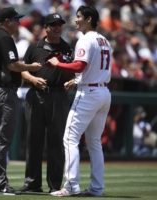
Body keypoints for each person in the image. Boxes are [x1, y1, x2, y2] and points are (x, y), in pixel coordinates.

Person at [47, 6, 112, 197]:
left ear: (89, 19)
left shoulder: (85, 39)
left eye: (79, 17)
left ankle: (71, 185)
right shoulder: (104, 40)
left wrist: (57, 64)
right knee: (94, 142)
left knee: (70, 138)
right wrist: (76, 81)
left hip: (89, 94)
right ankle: (97, 188)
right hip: (103, 92)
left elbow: (80, 65)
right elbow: (92, 68)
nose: (75, 20)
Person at [0, 7, 42, 195]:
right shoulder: (5, 38)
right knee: (2, 138)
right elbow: (13, 65)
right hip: (4, 92)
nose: (18, 22)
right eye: (16, 19)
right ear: (7, 21)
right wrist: (32, 66)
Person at [18, 13, 75, 193]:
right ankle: (32, 183)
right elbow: (23, 71)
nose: (57, 27)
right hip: (36, 94)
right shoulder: (35, 46)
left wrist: (73, 81)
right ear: (46, 27)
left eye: (60, 24)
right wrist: (33, 80)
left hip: (59, 96)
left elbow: (76, 72)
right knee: (33, 140)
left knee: (56, 141)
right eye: (53, 24)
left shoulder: (68, 48)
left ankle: (54, 185)